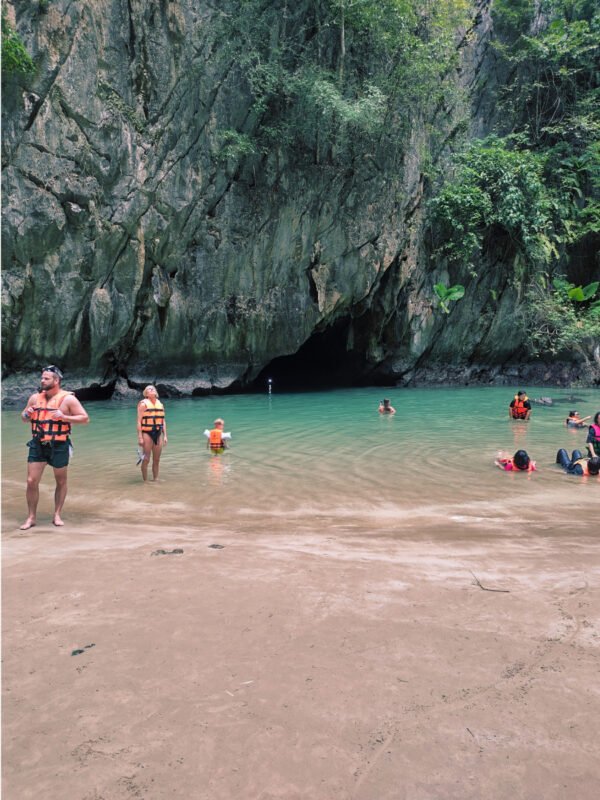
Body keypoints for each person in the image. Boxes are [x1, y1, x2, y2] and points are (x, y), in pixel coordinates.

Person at [19, 365, 89, 529]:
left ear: (56, 380)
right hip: (38, 443)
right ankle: (31, 517)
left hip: (59, 444)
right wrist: (27, 414)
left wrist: (64, 417)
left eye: (46, 378)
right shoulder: (35, 398)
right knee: (31, 481)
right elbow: (23, 418)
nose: (42, 381)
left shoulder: (68, 399)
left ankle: (57, 514)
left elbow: (85, 418)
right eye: (42, 378)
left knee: (61, 480)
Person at [137, 385, 167, 481]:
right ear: (146, 394)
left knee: (156, 460)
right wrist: (140, 437)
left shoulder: (160, 404)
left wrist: (165, 435)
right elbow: (139, 421)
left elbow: (163, 421)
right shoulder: (143, 404)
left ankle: (156, 479)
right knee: (146, 459)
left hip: (158, 433)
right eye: (149, 389)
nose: (152, 389)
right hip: (147, 433)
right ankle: (145, 481)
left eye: (153, 388)